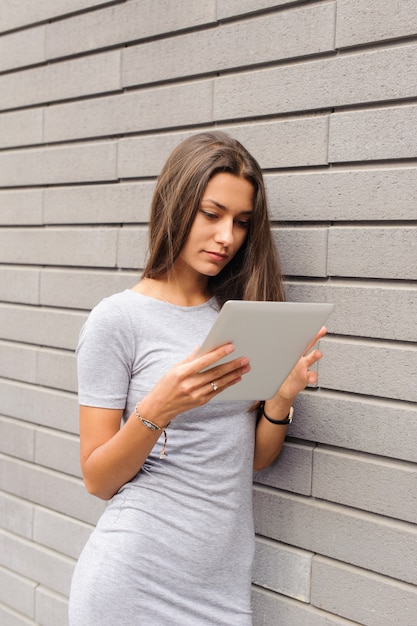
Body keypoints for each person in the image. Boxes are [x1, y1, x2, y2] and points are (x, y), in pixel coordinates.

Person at [68, 131, 325, 625]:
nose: (227, 236)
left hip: (221, 591)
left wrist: (281, 399)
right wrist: (158, 408)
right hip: (132, 584)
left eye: (241, 222)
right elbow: (97, 479)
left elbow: (250, 460)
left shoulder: (234, 321)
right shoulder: (117, 319)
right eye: (212, 215)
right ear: (177, 204)